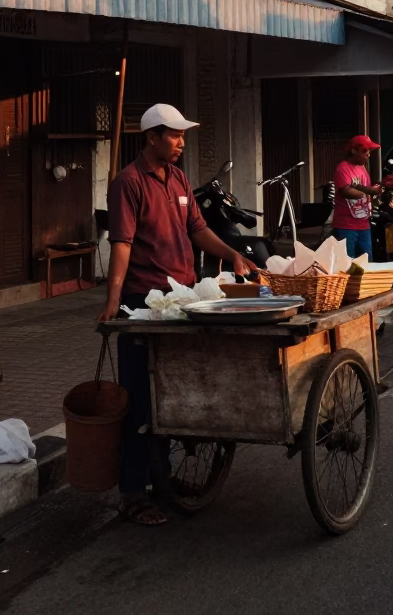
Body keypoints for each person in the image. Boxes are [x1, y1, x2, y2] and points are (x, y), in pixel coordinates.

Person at [99, 103, 253, 526]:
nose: (181, 142)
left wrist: (233, 254)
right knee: (138, 398)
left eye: (183, 135)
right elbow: (122, 245)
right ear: (150, 137)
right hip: (142, 304)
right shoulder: (127, 183)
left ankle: (161, 476)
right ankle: (133, 492)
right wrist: (113, 300)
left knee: (172, 394)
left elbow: (197, 230)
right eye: (174, 135)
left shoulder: (180, 178)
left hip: (181, 298)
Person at [332, 135, 382, 258]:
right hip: (346, 226)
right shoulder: (343, 169)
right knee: (347, 264)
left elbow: (364, 187)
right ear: (354, 151)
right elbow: (347, 192)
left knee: (366, 262)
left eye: (369, 151)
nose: (368, 154)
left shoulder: (362, 168)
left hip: (364, 225)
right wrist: (369, 192)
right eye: (365, 151)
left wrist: (374, 190)